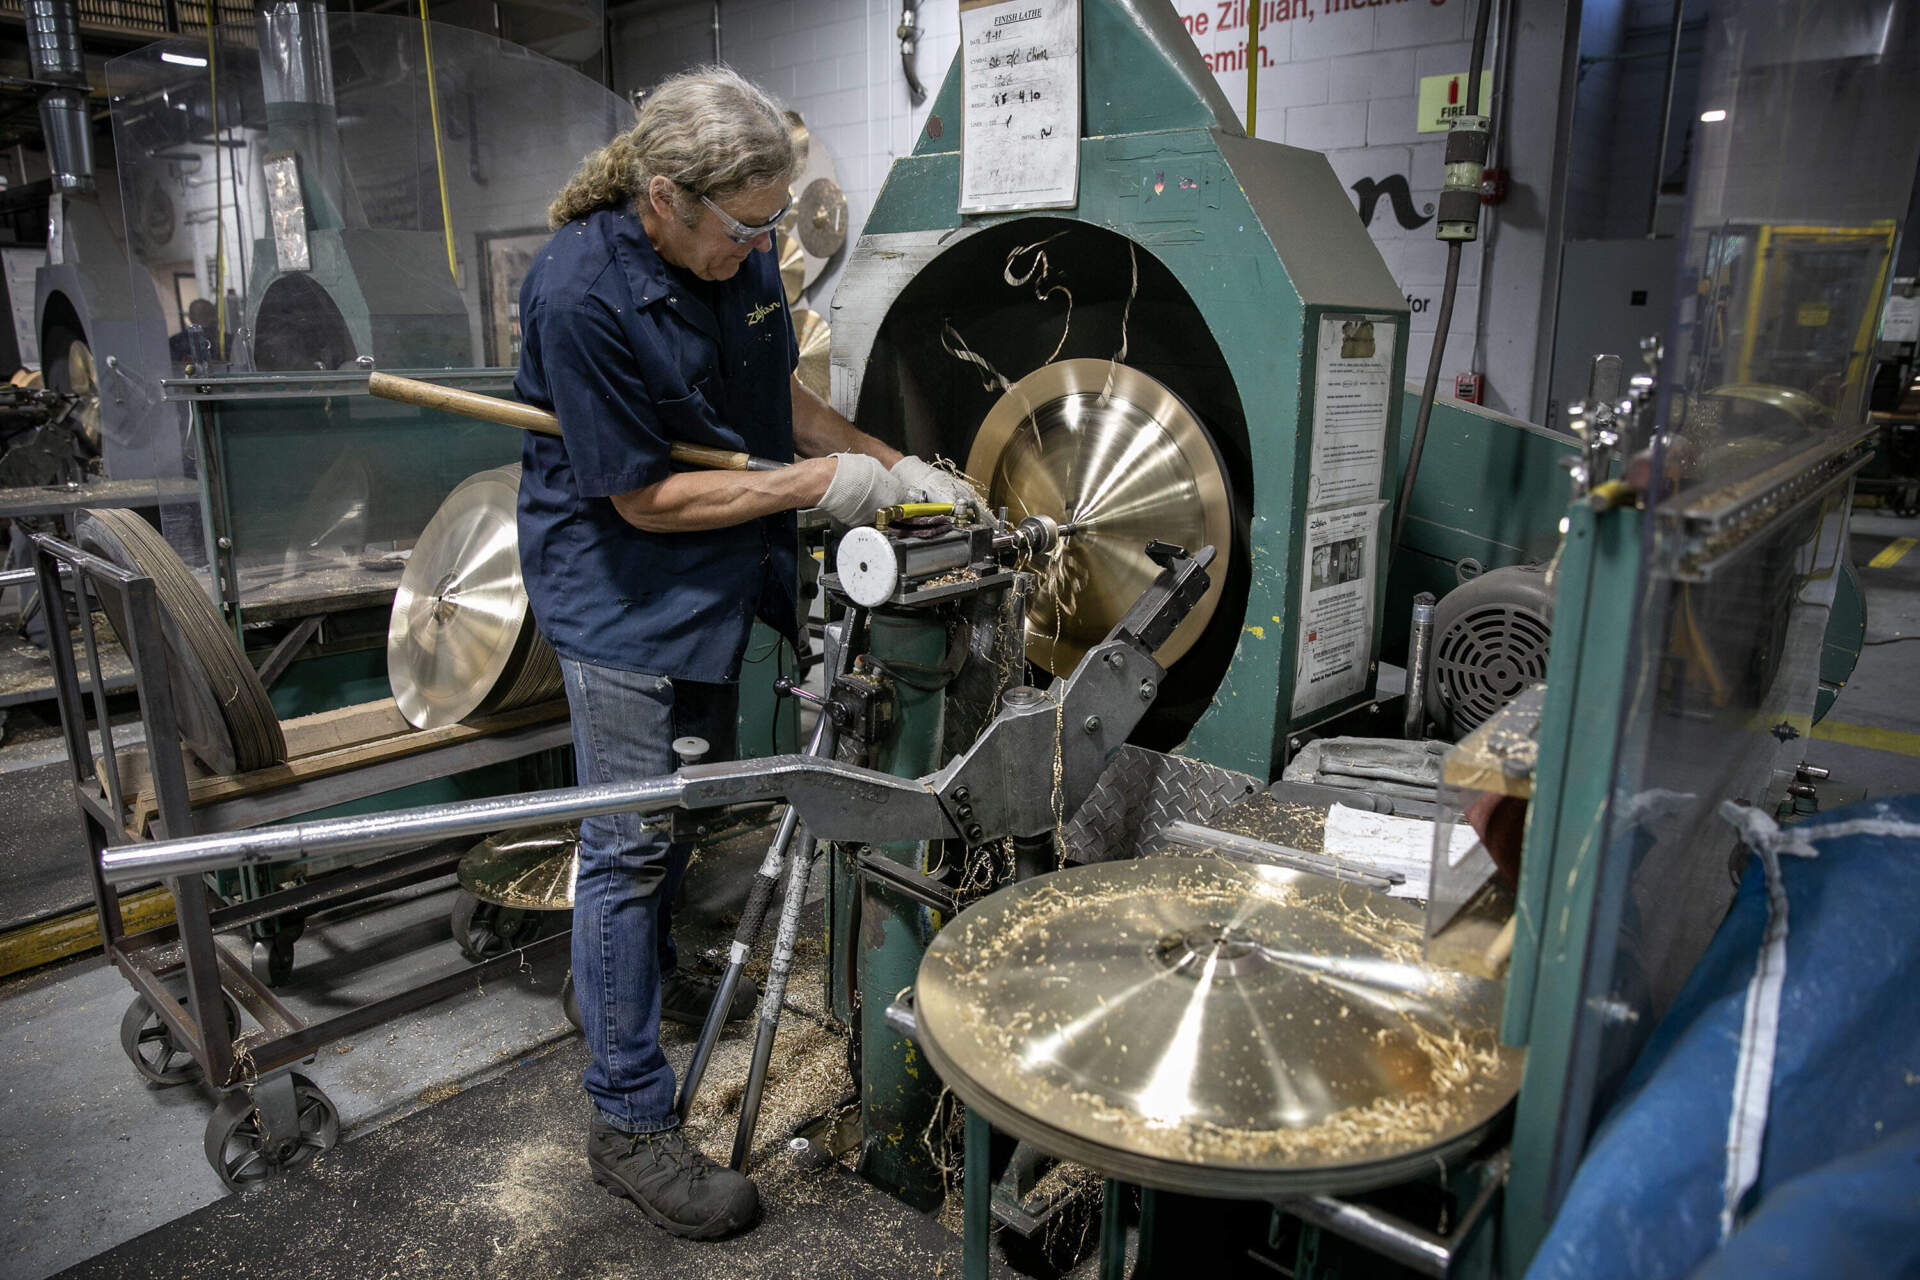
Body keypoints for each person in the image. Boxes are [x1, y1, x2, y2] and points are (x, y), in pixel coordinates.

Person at [514, 66, 972, 1242]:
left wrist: (891, 471)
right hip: (623, 589)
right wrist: (824, 488)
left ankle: (617, 980)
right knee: (627, 838)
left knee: (682, 808)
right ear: (663, 198)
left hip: (720, 569)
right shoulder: (579, 297)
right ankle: (626, 1117)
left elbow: (779, 410)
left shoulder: (743, 248)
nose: (763, 244)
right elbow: (646, 500)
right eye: (745, 226)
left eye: (773, 223)